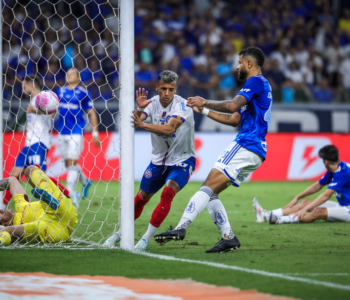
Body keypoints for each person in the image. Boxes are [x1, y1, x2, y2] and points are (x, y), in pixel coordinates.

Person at [155, 46, 273, 253]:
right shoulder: (260, 86)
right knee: (212, 192)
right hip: (255, 149)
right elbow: (234, 118)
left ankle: (181, 228)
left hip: (247, 144)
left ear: (249, 64)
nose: (236, 67)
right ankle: (228, 238)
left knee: (207, 186)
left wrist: (205, 100)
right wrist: (204, 110)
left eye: (239, 62)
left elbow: (231, 107)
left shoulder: (254, 81)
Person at [103, 70, 196, 250]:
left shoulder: (183, 106)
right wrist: (139, 109)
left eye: (171, 89)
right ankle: (120, 233)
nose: (167, 93)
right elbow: (135, 122)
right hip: (158, 162)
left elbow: (170, 129)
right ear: (157, 87)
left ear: (176, 88)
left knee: (168, 193)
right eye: (163, 89)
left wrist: (143, 124)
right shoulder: (151, 103)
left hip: (182, 160)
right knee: (140, 199)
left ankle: (145, 238)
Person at [254, 145, 350, 224]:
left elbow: (326, 196)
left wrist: (306, 209)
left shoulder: (343, 172)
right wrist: (298, 197)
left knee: (317, 212)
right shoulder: (335, 169)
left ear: (325, 161)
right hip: (343, 205)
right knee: (305, 202)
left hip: (348, 210)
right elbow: (317, 186)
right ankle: (265, 215)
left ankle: (280, 220)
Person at [2, 76, 54, 208]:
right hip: (28, 144)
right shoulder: (32, 100)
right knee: (14, 175)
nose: (22, 88)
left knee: (38, 178)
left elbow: (52, 113)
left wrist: (35, 110)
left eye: (24, 85)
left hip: (39, 143)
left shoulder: (43, 97)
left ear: (32, 85)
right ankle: (2, 207)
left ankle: (55, 202)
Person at [0, 166, 78, 245]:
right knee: (9, 230)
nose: (0, 210)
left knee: (29, 170)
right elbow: (7, 232)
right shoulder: (15, 226)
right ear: (2, 224)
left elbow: (12, 181)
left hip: (62, 210)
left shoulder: (20, 205)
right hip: (51, 229)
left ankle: (47, 195)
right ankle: (47, 197)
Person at [56, 68, 100, 202]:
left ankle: (70, 193)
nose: (68, 75)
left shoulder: (83, 93)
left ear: (78, 77)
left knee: (73, 161)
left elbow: (92, 113)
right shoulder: (60, 91)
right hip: (61, 131)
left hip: (76, 131)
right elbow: (53, 110)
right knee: (69, 164)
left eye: (72, 73)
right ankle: (85, 180)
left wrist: (95, 133)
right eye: (67, 73)